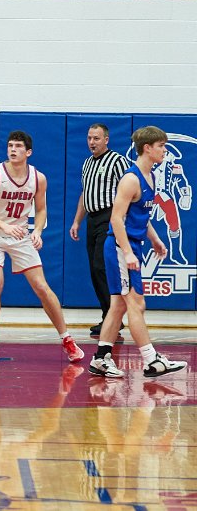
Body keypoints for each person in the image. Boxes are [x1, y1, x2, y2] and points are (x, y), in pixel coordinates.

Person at [0, 131, 85, 362]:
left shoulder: (38, 178)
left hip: (20, 236)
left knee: (41, 287)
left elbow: (41, 210)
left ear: (28, 152)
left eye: (17, 146)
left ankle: (67, 339)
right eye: (10, 146)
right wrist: (4, 226)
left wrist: (37, 231)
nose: (12, 150)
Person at [89, 126, 188, 379]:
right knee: (136, 303)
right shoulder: (131, 179)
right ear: (147, 148)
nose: (164, 151)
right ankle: (151, 360)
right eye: (161, 146)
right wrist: (128, 253)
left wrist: (155, 239)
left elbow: (142, 215)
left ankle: (100, 359)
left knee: (118, 306)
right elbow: (116, 219)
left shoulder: (150, 176)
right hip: (120, 247)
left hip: (132, 245)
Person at [69, 123, 130, 337]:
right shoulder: (87, 163)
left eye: (96, 138)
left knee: (101, 266)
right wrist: (77, 221)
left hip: (109, 217)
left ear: (106, 140)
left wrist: (121, 219)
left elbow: (128, 190)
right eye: (89, 138)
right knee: (95, 270)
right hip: (92, 219)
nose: (91, 142)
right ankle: (109, 316)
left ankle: (114, 317)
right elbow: (85, 194)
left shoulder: (117, 161)